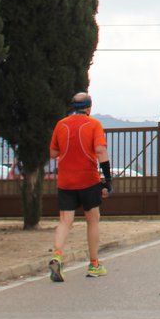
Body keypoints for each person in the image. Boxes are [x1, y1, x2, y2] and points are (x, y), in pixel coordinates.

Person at [47, 91, 112, 281]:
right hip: (88, 180)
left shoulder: (61, 124)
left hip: (66, 181)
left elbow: (53, 153)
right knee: (93, 219)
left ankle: (57, 256)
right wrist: (108, 179)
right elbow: (100, 151)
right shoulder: (94, 124)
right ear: (89, 108)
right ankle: (94, 264)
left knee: (65, 221)